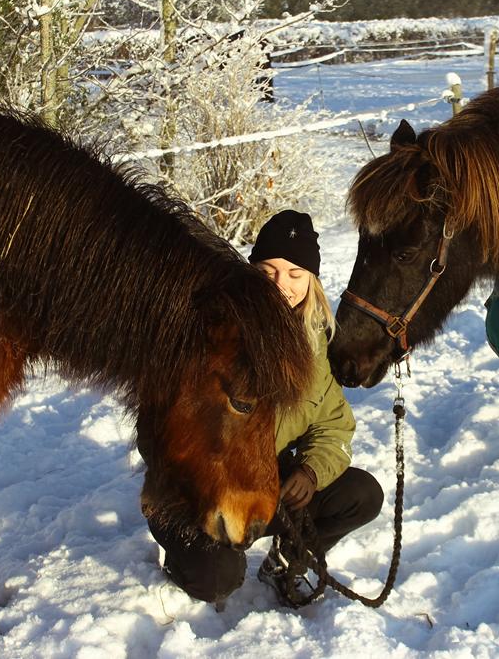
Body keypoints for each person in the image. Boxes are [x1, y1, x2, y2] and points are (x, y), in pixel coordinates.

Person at [148, 210, 384, 608]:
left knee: (363, 494)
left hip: (261, 482)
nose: (282, 286)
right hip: (195, 490)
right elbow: (160, 430)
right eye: (269, 270)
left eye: (296, 274)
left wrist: (310, 471)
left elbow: (334, 427)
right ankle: (184, 558)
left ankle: (288, 557)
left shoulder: (313, 346)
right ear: (251, 271)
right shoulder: (211, 334)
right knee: (217, 580)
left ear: (312, 281)